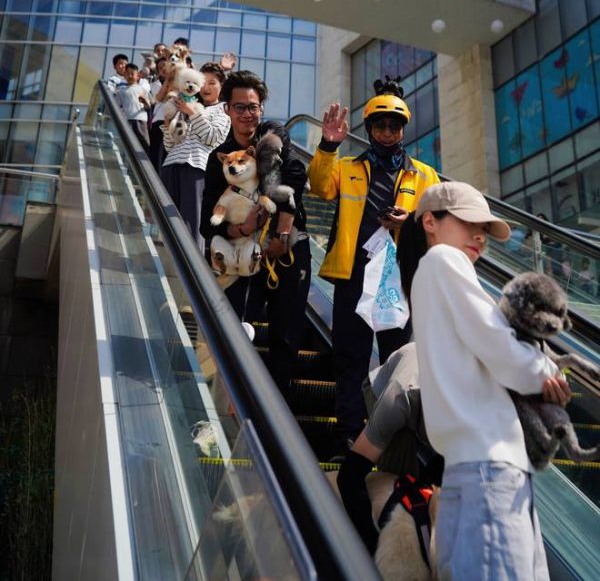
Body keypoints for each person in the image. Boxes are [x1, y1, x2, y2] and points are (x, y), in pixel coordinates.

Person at [399, 180, 571, 581]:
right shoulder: (443, 259)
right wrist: (546, 371)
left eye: (485, 229)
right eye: (469, 222)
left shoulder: (428, 278)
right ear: (430, 221)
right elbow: (500, 347)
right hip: (489, 473)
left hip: (471, 470)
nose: (480, 235)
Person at [307, 77, 439, 456]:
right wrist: (328, 144)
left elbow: (437, 223)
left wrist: (409, 222)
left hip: (400, 279)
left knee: (399, 362)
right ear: (369, 129)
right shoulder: (347, 166)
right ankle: (351, 437)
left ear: (403, 130)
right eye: (380, 126)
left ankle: (395, 444)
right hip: (354, 274)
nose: (387, 132)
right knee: (351, 359)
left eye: (394, 126)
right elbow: (319, 187)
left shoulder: (424, 174)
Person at [200, 70, 311, 398]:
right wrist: (242, 228)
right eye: (240, 107)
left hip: (287, 251)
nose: (247, 114)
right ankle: (230, 408)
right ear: (227, 110)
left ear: (261, 107)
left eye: (253, 106)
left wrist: (281, 235)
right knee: (234, 332)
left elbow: (295, 174)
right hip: (241, 256)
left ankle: (278, 414)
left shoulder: (272, 137)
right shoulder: (219, 159)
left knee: (286, 338)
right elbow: (208, 221)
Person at [336, 342, 440, 554]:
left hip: (422, 396)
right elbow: (348, 478)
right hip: (381, 388)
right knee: (401, 479)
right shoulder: (398, 399)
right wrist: (372, 544)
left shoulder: (471, 402)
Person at [160, 61, 230, 249]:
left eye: (212, 83)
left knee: (192, 224)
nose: (206, 87)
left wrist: (191, 113)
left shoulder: (223, 112)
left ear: (221, 86)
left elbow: (211, 138)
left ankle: (192, 265)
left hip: (197, 169)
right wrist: (168, 126)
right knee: (166, 223)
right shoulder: (184, 105)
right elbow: (169, 145)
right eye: (204, 82)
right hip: (171, 165)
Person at [117, 63, 151, 151]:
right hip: (128, 119)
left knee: (143, 143)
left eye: (132, 74)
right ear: (124, 75)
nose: (130, 76)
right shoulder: (121, 91)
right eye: (127, 74)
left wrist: (144, 102)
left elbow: (148, 106)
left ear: (138, 75)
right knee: (128, 143)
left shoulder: (142, 89)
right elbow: (118, 106)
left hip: (141, 119)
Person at [148, 55, 168, 171]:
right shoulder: (153, 85)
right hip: (158, 122)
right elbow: (160, 97)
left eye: (165, 66)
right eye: (160, 68)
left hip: (172, 124)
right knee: (156, 155)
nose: (163, 69)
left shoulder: (179, 84)